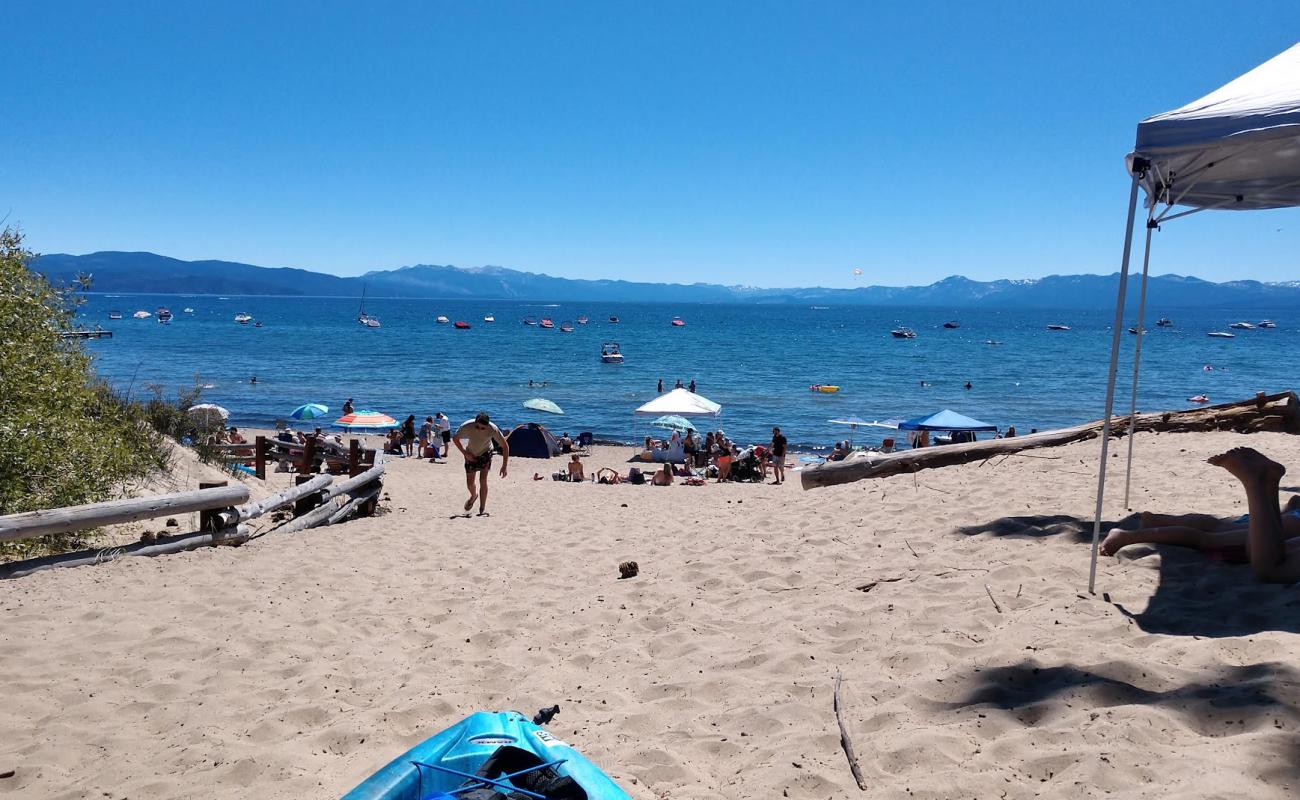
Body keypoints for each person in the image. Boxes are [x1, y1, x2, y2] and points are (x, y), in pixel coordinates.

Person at [1101, 447, 1300, 583]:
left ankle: (1143, 529)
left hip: (1292, 518)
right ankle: (1130, 535)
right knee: (1212, 535)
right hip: (1293, 521)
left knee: (1216, 529)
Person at [453, 412, 510, 516]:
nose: (479, 429)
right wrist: (465, 453)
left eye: (482, 428)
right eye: (477, 427)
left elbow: (505, 446)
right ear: (475, 423)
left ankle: (482, 508)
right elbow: (455, 438)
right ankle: (474, 496)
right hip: (470, 453)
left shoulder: (493, 429)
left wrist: (504, 466)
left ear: (487, 426)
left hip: (486, 453)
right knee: (470, 483)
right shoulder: (467, 426)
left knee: (483, 480)